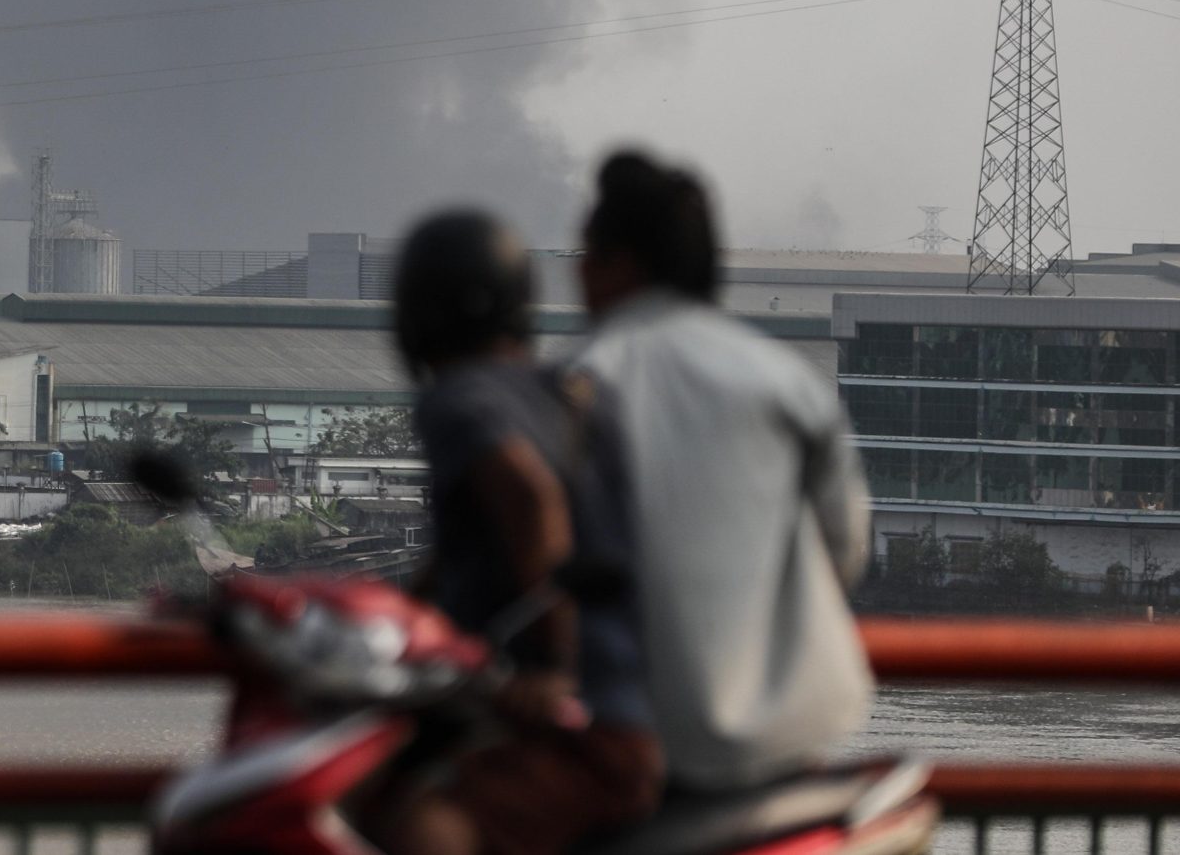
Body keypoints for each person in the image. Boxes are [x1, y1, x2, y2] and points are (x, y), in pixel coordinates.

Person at [572, 149, 873, 792]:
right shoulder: (788, 381)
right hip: (795, 742)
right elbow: (843, 550)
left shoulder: (581, 386)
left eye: (587, 257)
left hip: (634, 750)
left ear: (620, 264)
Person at [368, 210, 661, 855]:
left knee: (425, 832)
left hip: (576, 729)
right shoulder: (577, 393)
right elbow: (458, 556)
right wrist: (392, 624)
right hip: (638, 713)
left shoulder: (459, 397)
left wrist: (553, 666)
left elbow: (529, 497)